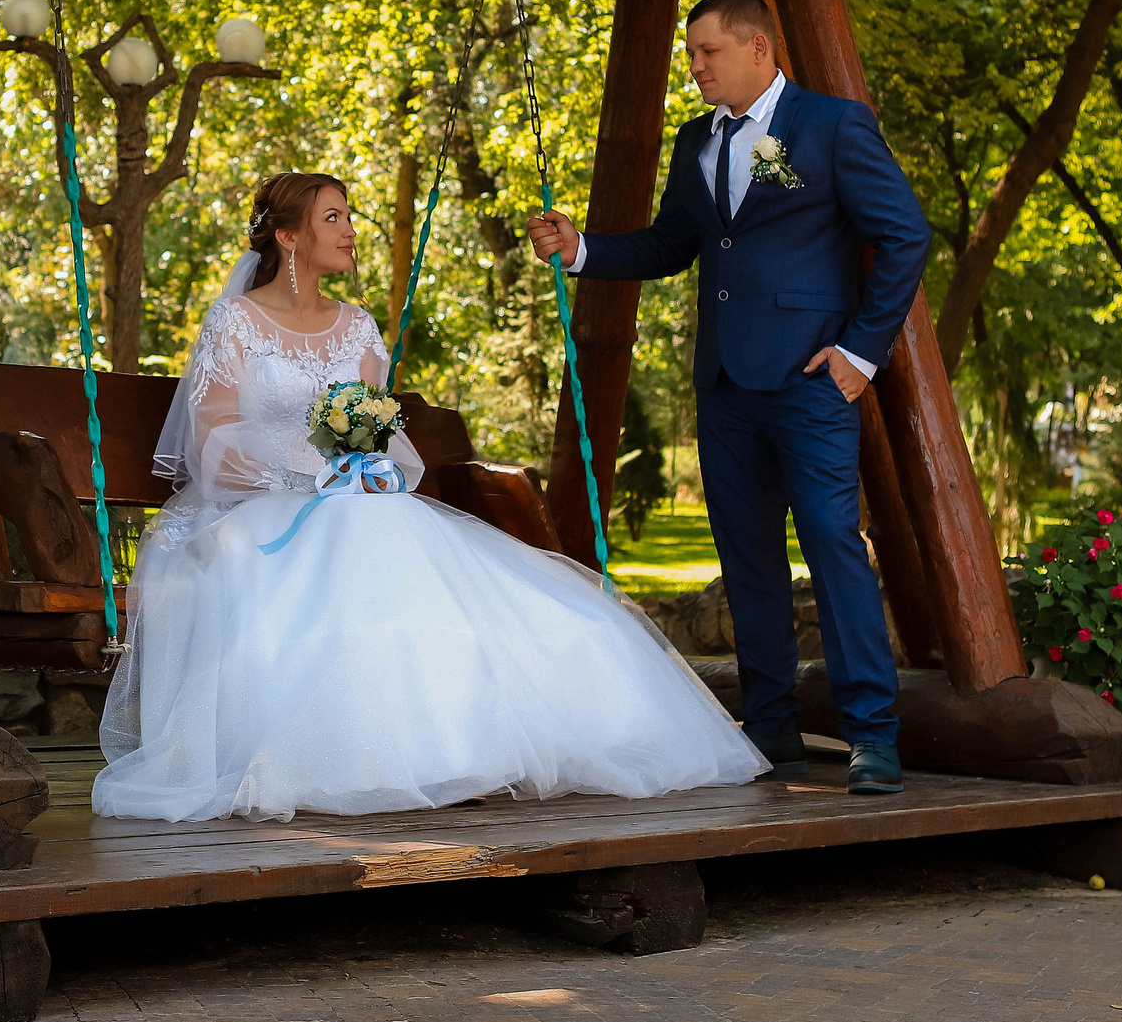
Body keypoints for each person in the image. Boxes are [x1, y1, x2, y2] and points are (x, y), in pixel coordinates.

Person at [92, 170, 766, 822]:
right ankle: (340, 754)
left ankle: (460, 746)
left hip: (352, 505)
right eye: (334, 218)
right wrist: (309, 472)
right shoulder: (235, 321)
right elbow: (213, 441)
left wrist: (357, 467)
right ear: (290, 238)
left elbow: (377, 434)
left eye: (350, 216)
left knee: (409, 546)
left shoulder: (355, 327)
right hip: (256, 509)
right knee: (330, 549)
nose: (352, 231)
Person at [526, 0, 929, 795]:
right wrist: (581, 250)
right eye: (691, 55)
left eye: (708, 52)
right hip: (725, 384)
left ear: (759, 48)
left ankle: (871, 736)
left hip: (814, 379)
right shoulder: (694, 141)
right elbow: (674, 243)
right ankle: (771, 725)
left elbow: (905, 233)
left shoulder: (833, 125)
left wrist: (861, 352)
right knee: (748, 559)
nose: (696, 67)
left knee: (833, 546)